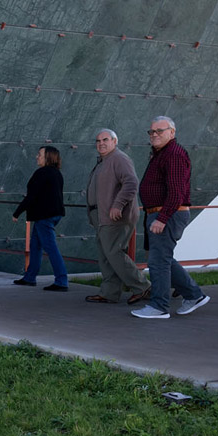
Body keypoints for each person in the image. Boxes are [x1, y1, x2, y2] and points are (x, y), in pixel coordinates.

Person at [131, 116, 209, 320]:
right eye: (151, 131)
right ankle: (194, 295)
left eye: (160, 131)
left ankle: (159, 307)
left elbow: (176, 192)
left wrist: (163, 218)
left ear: (172, 132)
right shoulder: (162, 153)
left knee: (158, 261)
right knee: (162, 258)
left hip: (166, 213)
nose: (154, 134)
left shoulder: (174, 154)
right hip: (157, 213)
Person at [83, 129, 149, 305]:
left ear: (115, 141)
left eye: (105, 140)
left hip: (114, 216)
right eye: (98, 141)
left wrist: (118, 205)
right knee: (106, 255)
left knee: (114, 253)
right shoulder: (104, 161)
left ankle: (142, 286)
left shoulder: (119, 158)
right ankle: (109, 293)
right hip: (102, 216)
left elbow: (131, 183)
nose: (101, 143)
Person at [11, 145, 69, 290]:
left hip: (45, 216)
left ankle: (62, 281)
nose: (37, 157)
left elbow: (31, 196)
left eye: (40, 154)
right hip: (53, 214)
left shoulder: (42, 173)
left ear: (48, 157)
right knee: (35, 246)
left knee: (51, 248)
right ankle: (30, 277)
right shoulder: (57, 173)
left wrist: (17, 212)